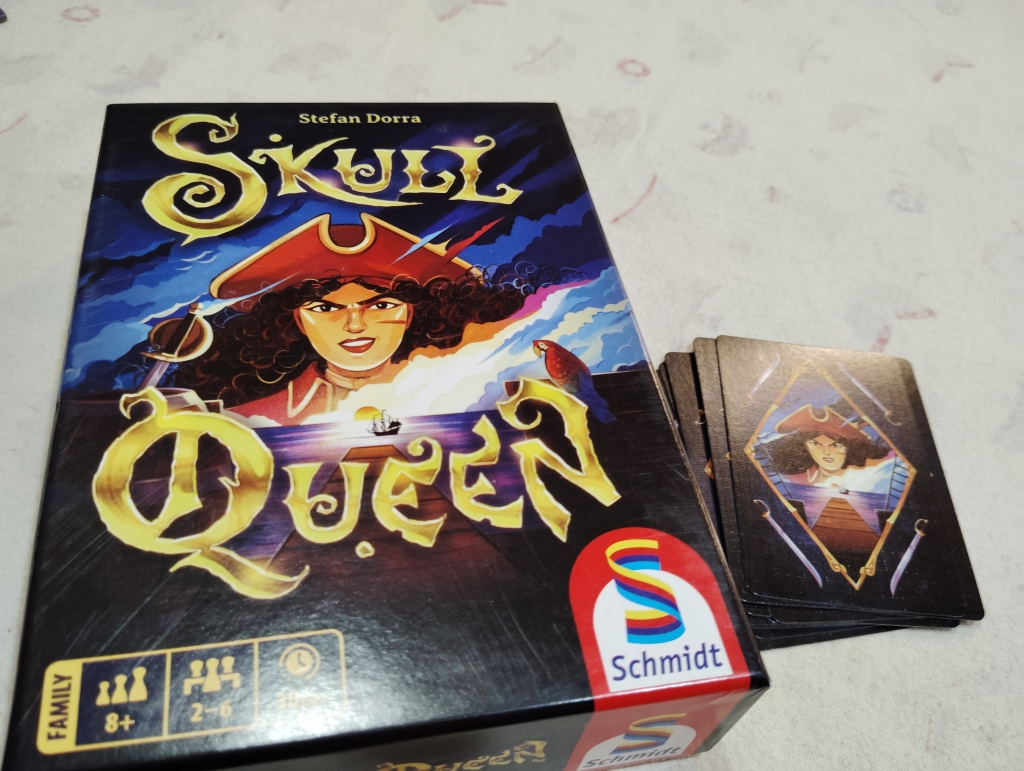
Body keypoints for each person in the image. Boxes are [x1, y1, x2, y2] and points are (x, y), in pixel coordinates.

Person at [176, 213, 532, 425]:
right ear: (296, 321)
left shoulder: (477, 397)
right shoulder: (250, 421)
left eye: (380, 305)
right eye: (325, 309)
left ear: (410, 313)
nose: (355, 325)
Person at [769, 404, 893, 492]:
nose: (826, 452)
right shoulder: (796, 481)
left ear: (850, 447)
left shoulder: (877, 472)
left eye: (835, 445)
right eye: (816, 444)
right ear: (805, 446)